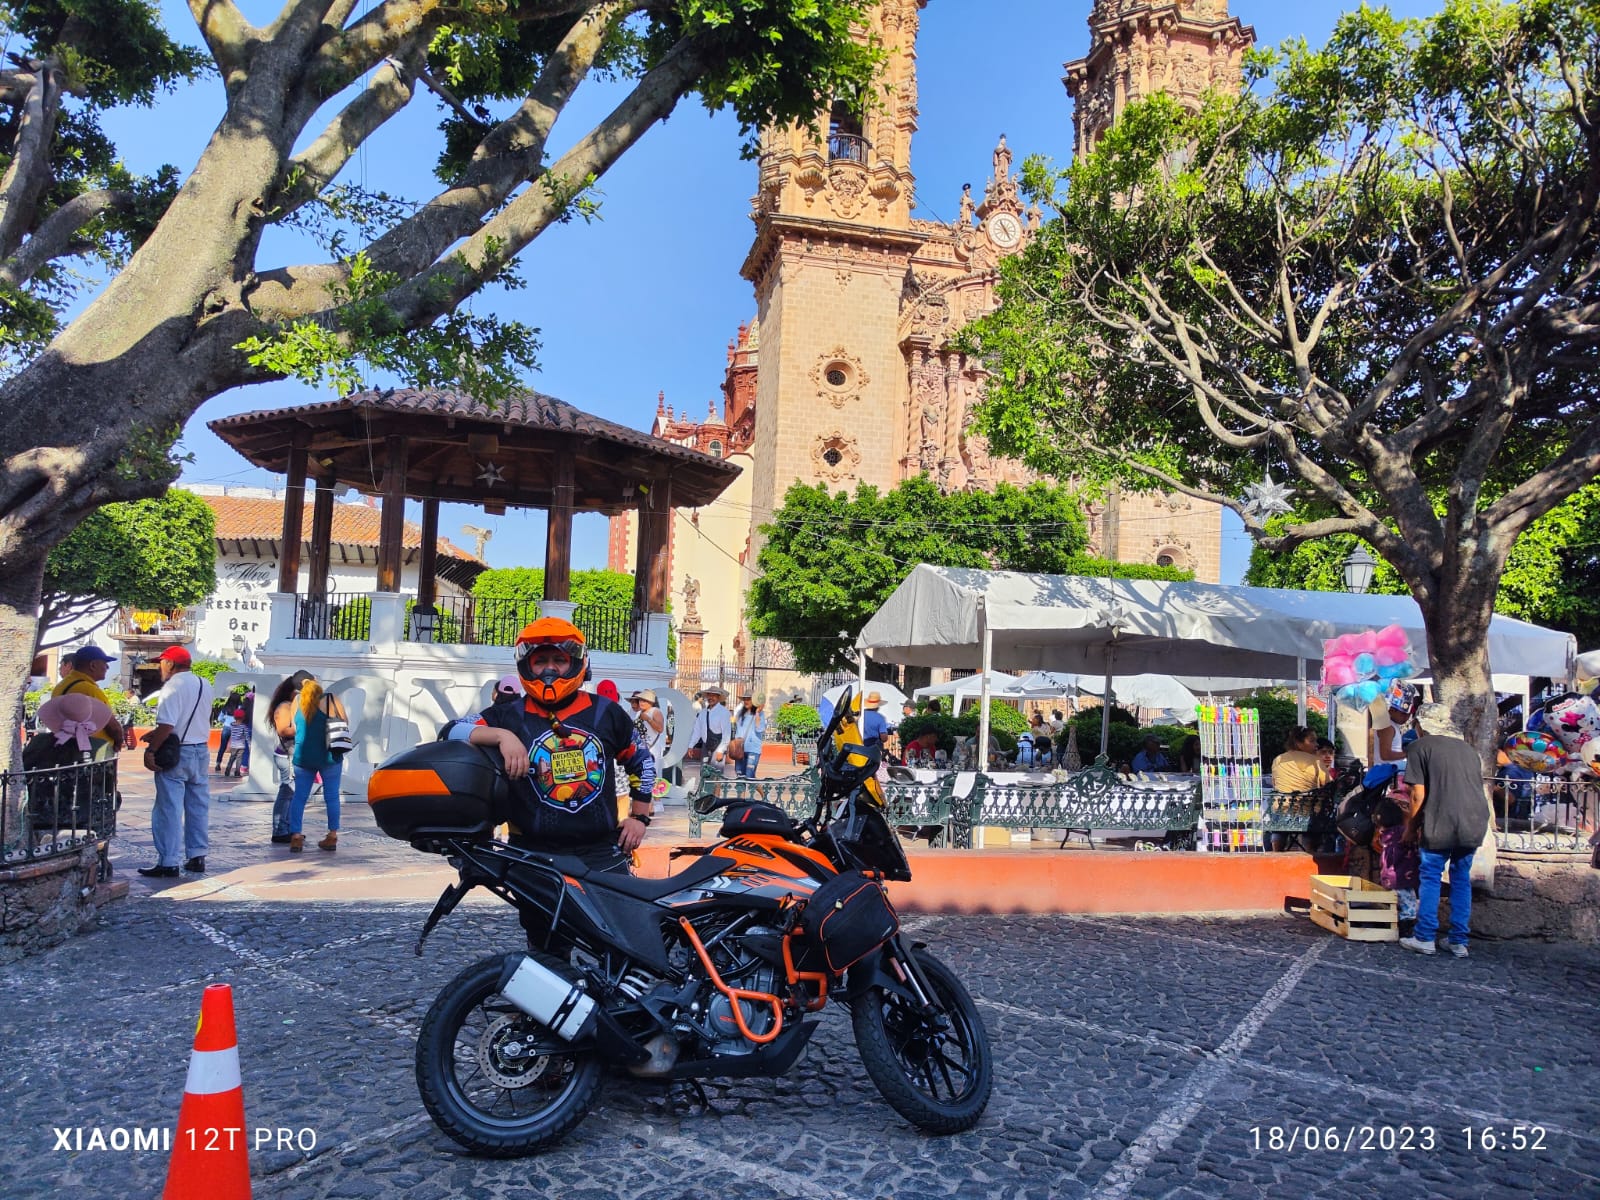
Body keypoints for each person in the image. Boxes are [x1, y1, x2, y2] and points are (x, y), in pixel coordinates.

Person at [450, 619, 655, 893]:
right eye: (541, 660)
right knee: (542, 933)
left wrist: (639, 818)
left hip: (601, 851)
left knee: (616, 928)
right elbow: (452, 730)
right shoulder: (507, 716)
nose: (550, 668)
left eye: (559, 659)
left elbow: (642, 763)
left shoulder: (606, 712)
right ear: (526, 665)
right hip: (532, 853)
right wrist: (502, 736)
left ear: (576, 663)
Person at [1399, 704, 1490, 958]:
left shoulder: (1420, 747)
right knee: (1461, 878)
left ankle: (1425, 936)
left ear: (1422, 725)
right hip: (1474, 820)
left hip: (1442, 820)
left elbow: (1418, 794)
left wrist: (1410, 828)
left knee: (1430, 875)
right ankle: (1458, 941)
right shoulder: (1468, 750)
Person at [138, 646, 214, 878]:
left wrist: (152, 749)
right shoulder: (204, 683)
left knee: (168, 807)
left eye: (162, 663)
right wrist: (159, 732)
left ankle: (169, 861)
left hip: (177, 753)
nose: (160, 667)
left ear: (170, 664)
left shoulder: (172, 687)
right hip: (200, 749)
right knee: (197, 805)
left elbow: (168, 724)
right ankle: (197, 856)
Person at [287, 675, 349, 853]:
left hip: (304, 756)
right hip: (329, 755)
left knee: (299, 796)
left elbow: (294, 727)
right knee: (332, 797)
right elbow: (345, 723)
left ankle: (296, 837)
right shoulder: (330, 699)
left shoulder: (297, 702)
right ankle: (332, 835)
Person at [266, 671, 313, 844]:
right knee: (287, 792)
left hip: (291, 753)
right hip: (286, 754)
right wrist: (305, 727)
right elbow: (284, 730)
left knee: (290, 793)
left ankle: (286, 828)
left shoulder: (290, 705)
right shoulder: (285, 706)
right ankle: (280, 830)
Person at [50, 645, 124, 751]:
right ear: (93, 665)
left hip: (67, 748)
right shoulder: (89, 689)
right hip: (93, 750)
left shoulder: (62, 685)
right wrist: (118, 742)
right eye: (104, 663)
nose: (107, 667)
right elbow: (112, 725)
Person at [1271, 726, 1329, 793]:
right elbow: (1329, 785)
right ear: (1298, 743)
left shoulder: (1277, 760)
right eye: (1312, 741)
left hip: (1280, 802)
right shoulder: (1316, 761)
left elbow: (1275, 784)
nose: (1317, 744)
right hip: (1309, 802)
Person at [691, 685, 733, 777]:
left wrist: (721, 750)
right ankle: (705, 792)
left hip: (718, 746)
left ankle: (716, 792)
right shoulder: (702, 713)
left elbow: (726, 734)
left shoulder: (724, 713)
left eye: (714, 695)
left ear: (718, 697)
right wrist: (691, 745)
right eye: (709, 695)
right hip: (706, 746)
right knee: (704, 773)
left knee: (717, 775)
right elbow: (697, 731)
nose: (711, 697)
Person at [733, 693, 766, 779]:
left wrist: (757, 713)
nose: (746, 701)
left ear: (754, 701)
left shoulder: (760, 714)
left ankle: (764, 793)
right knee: (740, 775)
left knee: (750, 775)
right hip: (740, 749)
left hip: (753, 749)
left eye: (748, 699)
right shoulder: (740, 713)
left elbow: (760, 729)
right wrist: (736, 743)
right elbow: (738, 731)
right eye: (744, 699)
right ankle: (742, 793)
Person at [222, 707, 249, 777]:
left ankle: (227, 771)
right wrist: (249, 744)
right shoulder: (244, 726)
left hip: (233, 745)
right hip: (241, 746)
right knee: (239, 759)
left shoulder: (232, 725)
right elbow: (247, 736)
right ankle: (237, 772)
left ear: (234, 717)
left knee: (231, 758)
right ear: (243, 717)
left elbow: (231, 734)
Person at [214, 707, 235, 773]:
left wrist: (225, 721)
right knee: (235, 747)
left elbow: (219, 718)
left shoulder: (225, 709)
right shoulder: (239, 707)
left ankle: (218, 763)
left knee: (222, 746)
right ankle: (230, 766)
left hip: (226, 727)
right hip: (236, 728)